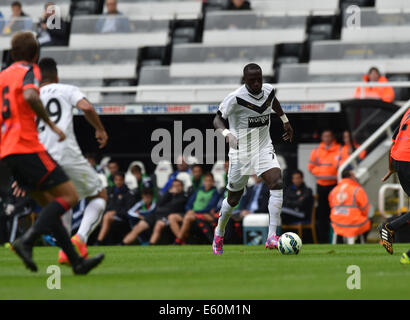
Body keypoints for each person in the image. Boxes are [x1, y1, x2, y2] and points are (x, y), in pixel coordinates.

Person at [0, 32, 104, 274]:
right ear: (35, 55)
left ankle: (77, 262)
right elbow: (29, 94)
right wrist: (51, 123)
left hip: (7, 152)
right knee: (70, 197)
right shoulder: (31, 71)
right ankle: (26, 241)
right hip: (26, 146)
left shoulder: (3, 76)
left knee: (50, 206)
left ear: (12, 53)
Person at [212, 63, 294, 255]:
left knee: (277, 181)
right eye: (252, 80)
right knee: (233, 199)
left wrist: (285, 121)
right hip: (241, 152)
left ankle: (272, 237)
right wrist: (226, 134)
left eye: (259, 79)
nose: (257, 83)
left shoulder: (268, 90)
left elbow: (273, 101)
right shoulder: (235, 98)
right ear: (245, 80)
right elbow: (216, 119)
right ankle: (219, 231)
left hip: (263, 146)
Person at [37, 57, 109, 264]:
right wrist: (100, 129)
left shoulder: (31, 95)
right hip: (64, 152)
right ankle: (81, 238)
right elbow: (85, 107)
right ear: (56, 76)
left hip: (42, 158)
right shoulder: (66, 89)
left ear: (39, 77)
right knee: (99, 195)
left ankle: (66, 252)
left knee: (65, 200)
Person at [380, 107, 410, 264]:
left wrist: (391, 167)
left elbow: (394, 141)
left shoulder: (408, 111)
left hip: (398, 159)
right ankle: (390, 227)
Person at [122, 179, 187, 245]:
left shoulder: (183, 196)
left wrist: (171, 194)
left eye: (178, 186)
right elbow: (159, 203)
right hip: (155, 214)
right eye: (174, 186)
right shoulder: (168, 194)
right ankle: (123, 244)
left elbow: (174, 206)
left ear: (182, 187)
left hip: (166, 216)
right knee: (139, 226)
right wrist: (168, 193)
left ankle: (151, 245)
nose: (175, 187)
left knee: (158, 225)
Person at [308, 129, 343, 243]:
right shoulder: (317, 150)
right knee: (322, 215)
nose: (327, 138)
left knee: (336, 213)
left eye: (329, 136)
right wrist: (323, 172)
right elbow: (311, 167)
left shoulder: (340, 149)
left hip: (334, 186)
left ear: (332, 137)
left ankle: (337, 239)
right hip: (321, 186)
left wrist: (328, 172)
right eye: (325, 136)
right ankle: (323, 240)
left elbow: (342, 166)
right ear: (322, 137)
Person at [169, 173, 220, 244]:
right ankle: (182, 240)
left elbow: (210, 207)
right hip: (192, 213)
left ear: (213, 182)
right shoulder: (199, 190)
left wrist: (195, 212)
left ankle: (177, 241)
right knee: (171, 217)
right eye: (206, 180)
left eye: (210, 181)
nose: (208, 182)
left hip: (202, 215)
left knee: (187, 218)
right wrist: (189, 210)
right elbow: (189, 203)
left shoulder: (215, 192)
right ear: (203, 182)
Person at [328, 168, 371, 243]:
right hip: (354, 224)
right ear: (351, 176)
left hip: (337, 223)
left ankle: (340, 242)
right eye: (354, 175)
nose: (355, 177)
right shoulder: (357, 189)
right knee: (368, 221)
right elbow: (365, 209)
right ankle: (358, 242)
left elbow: (331, 206)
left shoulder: (334, 190)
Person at [96, 172, 135, 244]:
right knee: (103, 215)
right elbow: (106, 205)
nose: (118, 182)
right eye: (116, 180)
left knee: (107, 216)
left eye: (120, 180)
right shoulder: (110, 191)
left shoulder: (128, 193)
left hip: (122, 218)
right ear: (114, 181)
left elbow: (129, 210)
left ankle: (99, 241)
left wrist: (116, 212)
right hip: (108, 215)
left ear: (123, 181)